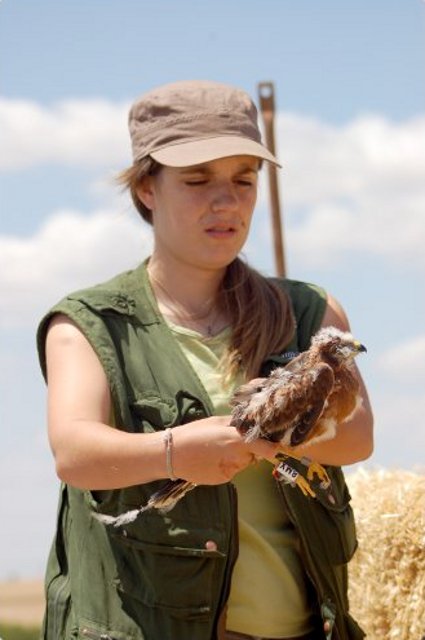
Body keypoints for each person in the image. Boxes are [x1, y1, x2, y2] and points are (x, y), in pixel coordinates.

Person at [37, 80, 373, 640]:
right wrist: (176, 452)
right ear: (147, 188)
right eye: (197, 181)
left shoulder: (311, 311)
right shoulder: (90, 323)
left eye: (244, 181)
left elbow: (357, 439)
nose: (226, 202)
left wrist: (271, 423)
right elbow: (75, 453)